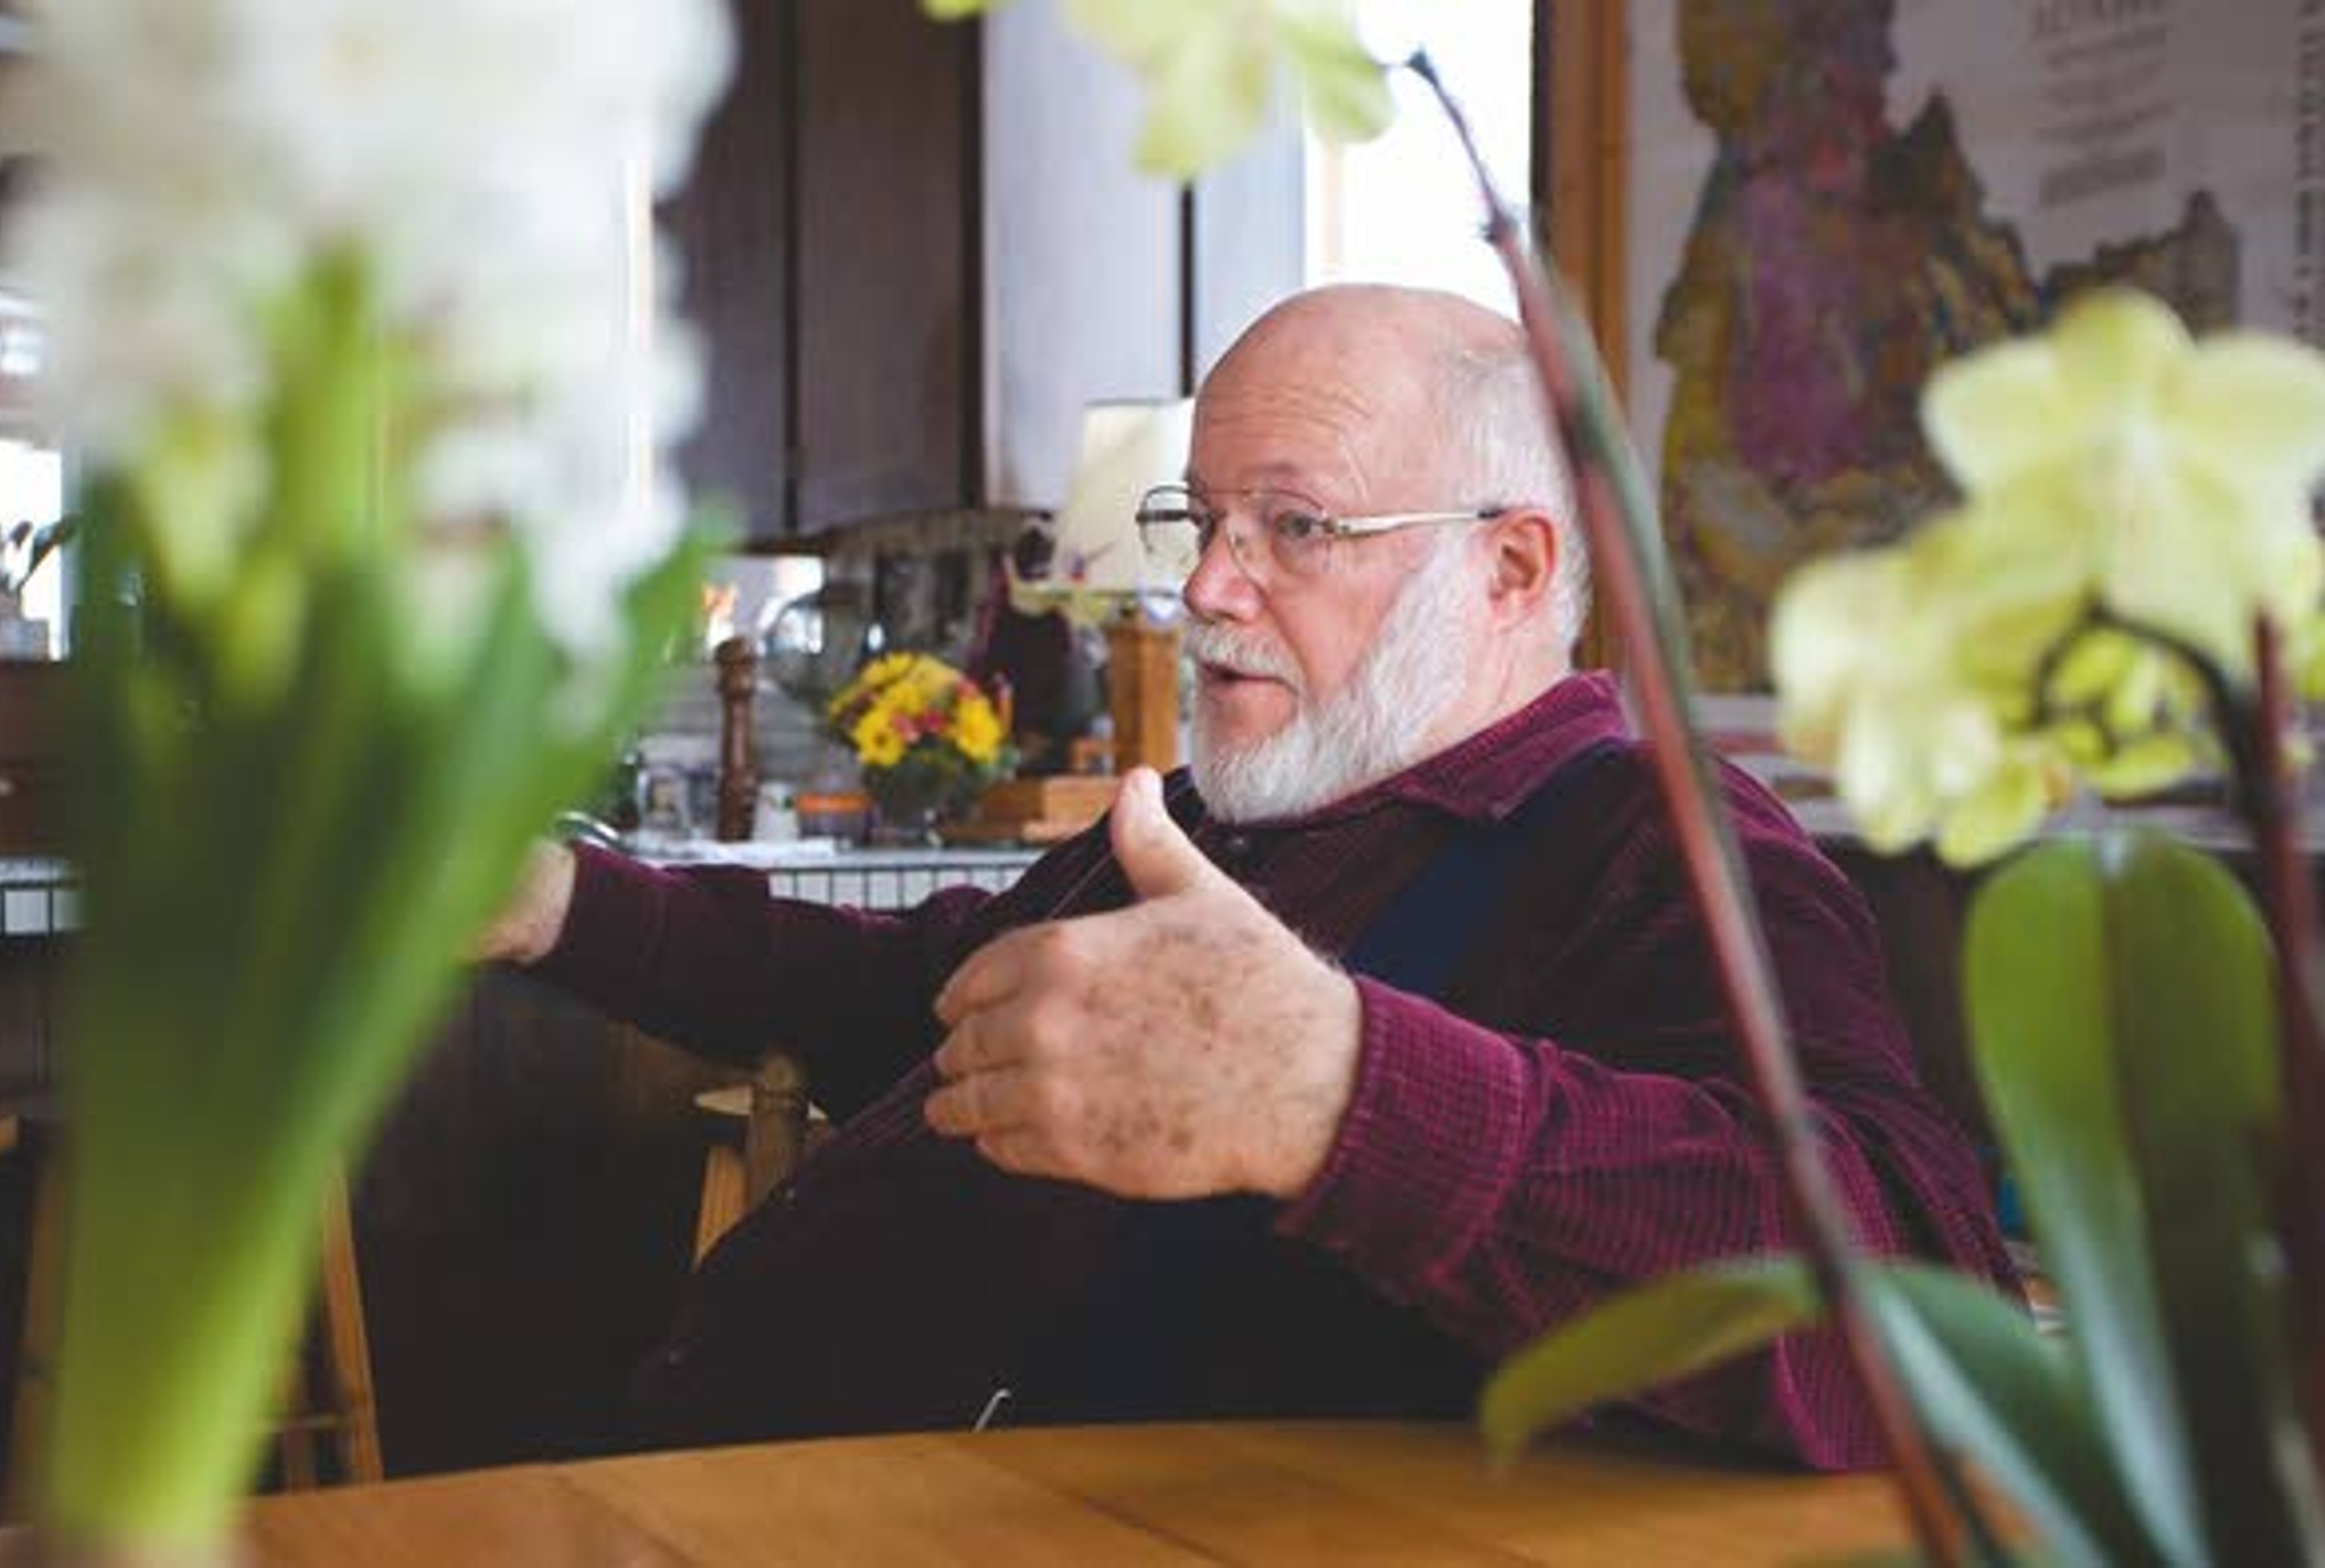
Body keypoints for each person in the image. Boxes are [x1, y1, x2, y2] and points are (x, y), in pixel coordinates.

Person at [480, 283, 2015, 1469]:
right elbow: (936, 995)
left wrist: (1347, 1097)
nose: (1210, 586)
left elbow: (1921, 1316)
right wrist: (560, 901)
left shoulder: (1663, 851)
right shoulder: (1236, 810)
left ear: (1514, 569)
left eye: (1296, 525)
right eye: (1201, 519)